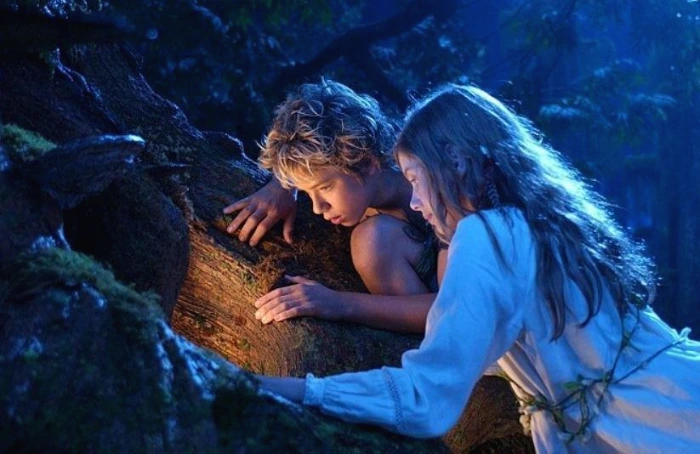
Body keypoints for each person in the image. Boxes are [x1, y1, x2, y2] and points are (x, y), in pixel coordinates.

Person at [256, 84, 700, 451]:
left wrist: (287, 389)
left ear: (456, 163)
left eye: (415, 180)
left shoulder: (486, 235)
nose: (415, 201)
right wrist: (281, 186)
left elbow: (424, 397)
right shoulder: (543, 220)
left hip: (661, 424)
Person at [223, 80, 447, 333]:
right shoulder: (355, 190)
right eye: (308, 192)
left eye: (325, 187)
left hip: (471, 313)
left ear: (367, 163)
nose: (318, 208)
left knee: (372, 239)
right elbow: (316, 160)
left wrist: (338, 303)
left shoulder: (437, 185)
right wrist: (283, 186)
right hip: (438, 300)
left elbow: (457, 308)